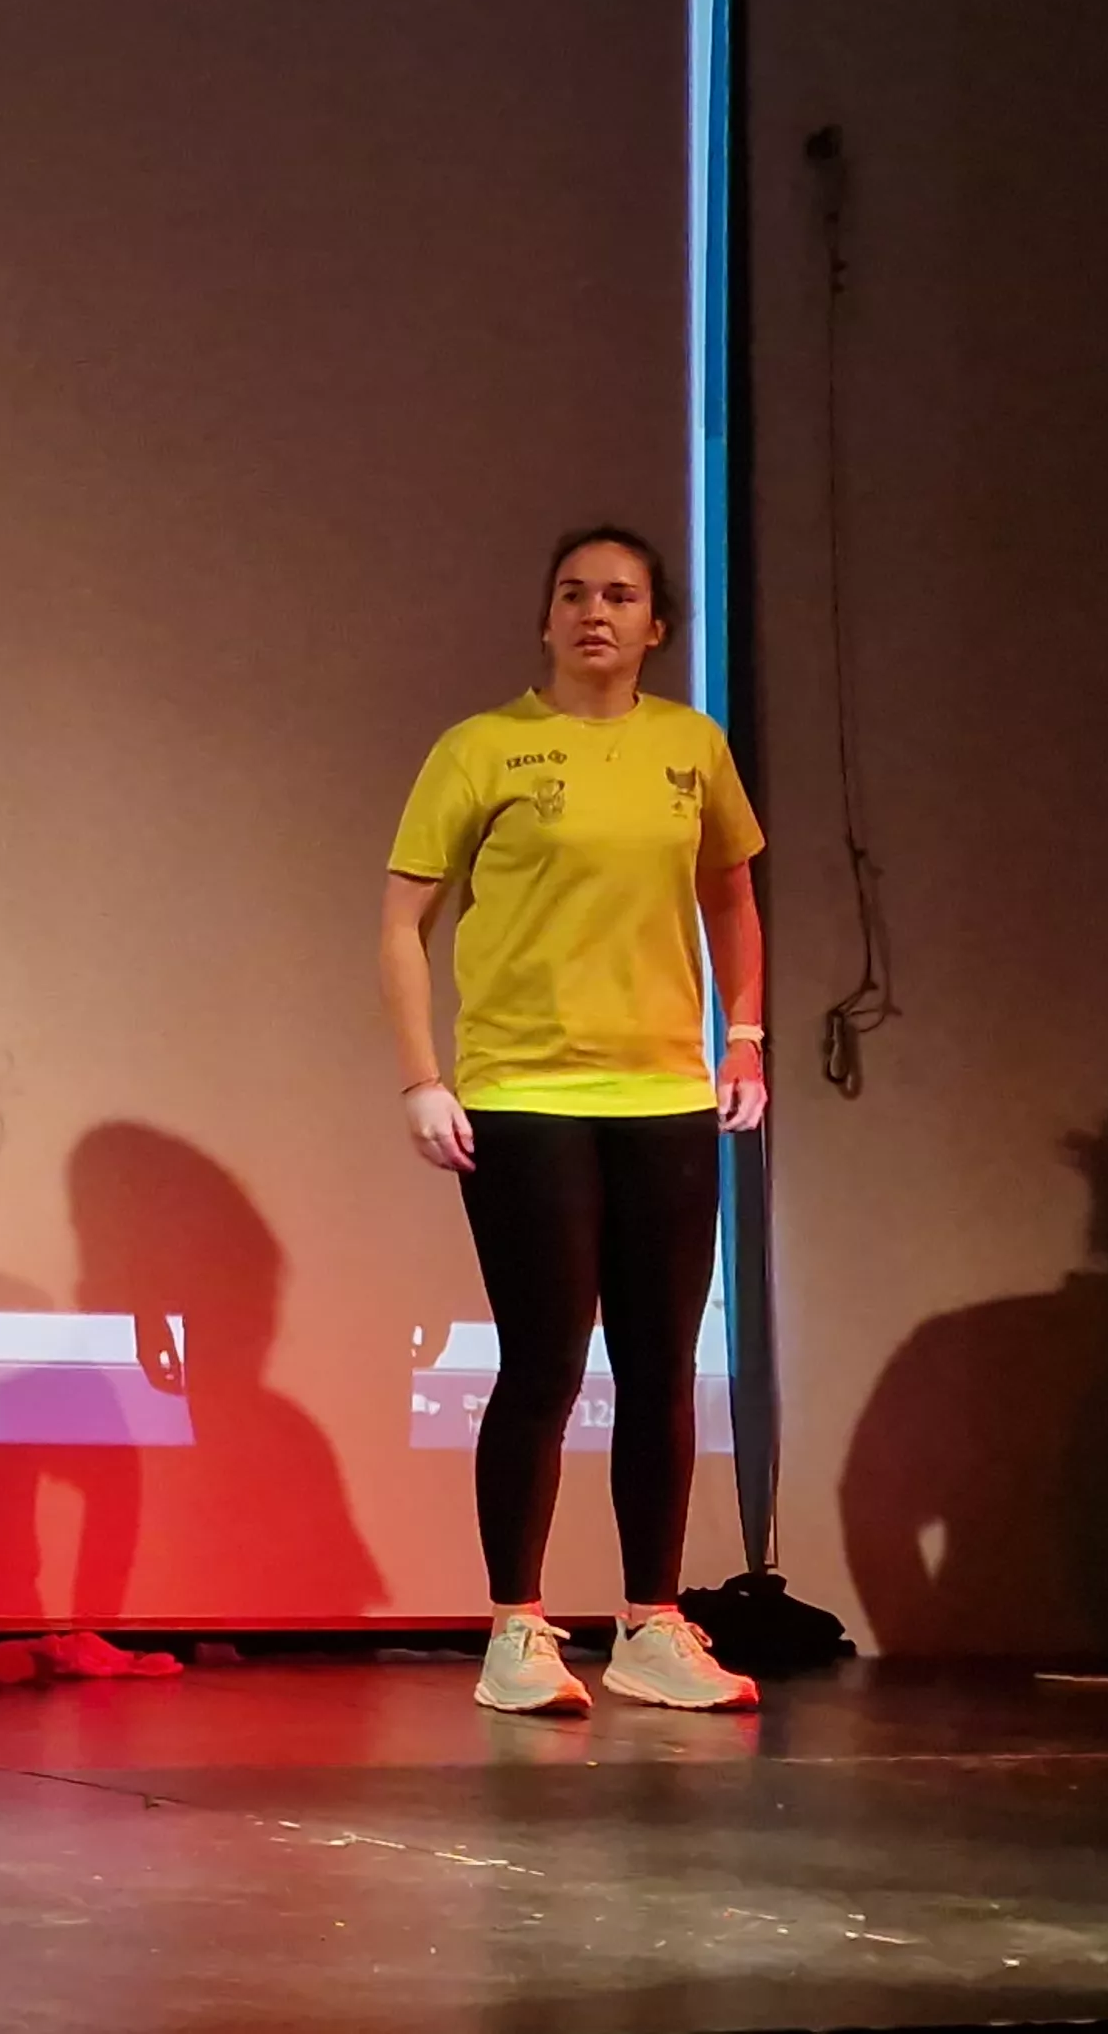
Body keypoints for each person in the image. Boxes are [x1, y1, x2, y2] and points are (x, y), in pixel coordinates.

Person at [377, 525, 767, 1716]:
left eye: (620, 596)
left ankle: (650, 1619)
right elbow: (403, 923)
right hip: (522, 1092)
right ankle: (516, 1628)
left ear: (656, 626)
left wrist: (741, 1037)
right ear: (543, 619)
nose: (593, 612)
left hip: (660, 1094)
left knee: (661, 1366)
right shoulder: (481, 748)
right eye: (571, 593)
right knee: (546, 1357)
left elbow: (733, 894)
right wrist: (420, 1077)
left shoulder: (690, 747)